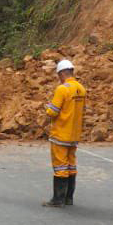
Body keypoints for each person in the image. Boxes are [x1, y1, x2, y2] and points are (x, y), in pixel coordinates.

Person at [42, 59, 87, 207]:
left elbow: (53, 112)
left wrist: (47, 110)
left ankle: (58, 199)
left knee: (60, 167)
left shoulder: (62, 89)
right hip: (74, 135)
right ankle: (69, 198)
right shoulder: (81, 89)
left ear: (61, 73)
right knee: (71, 165)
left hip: (61, 134)